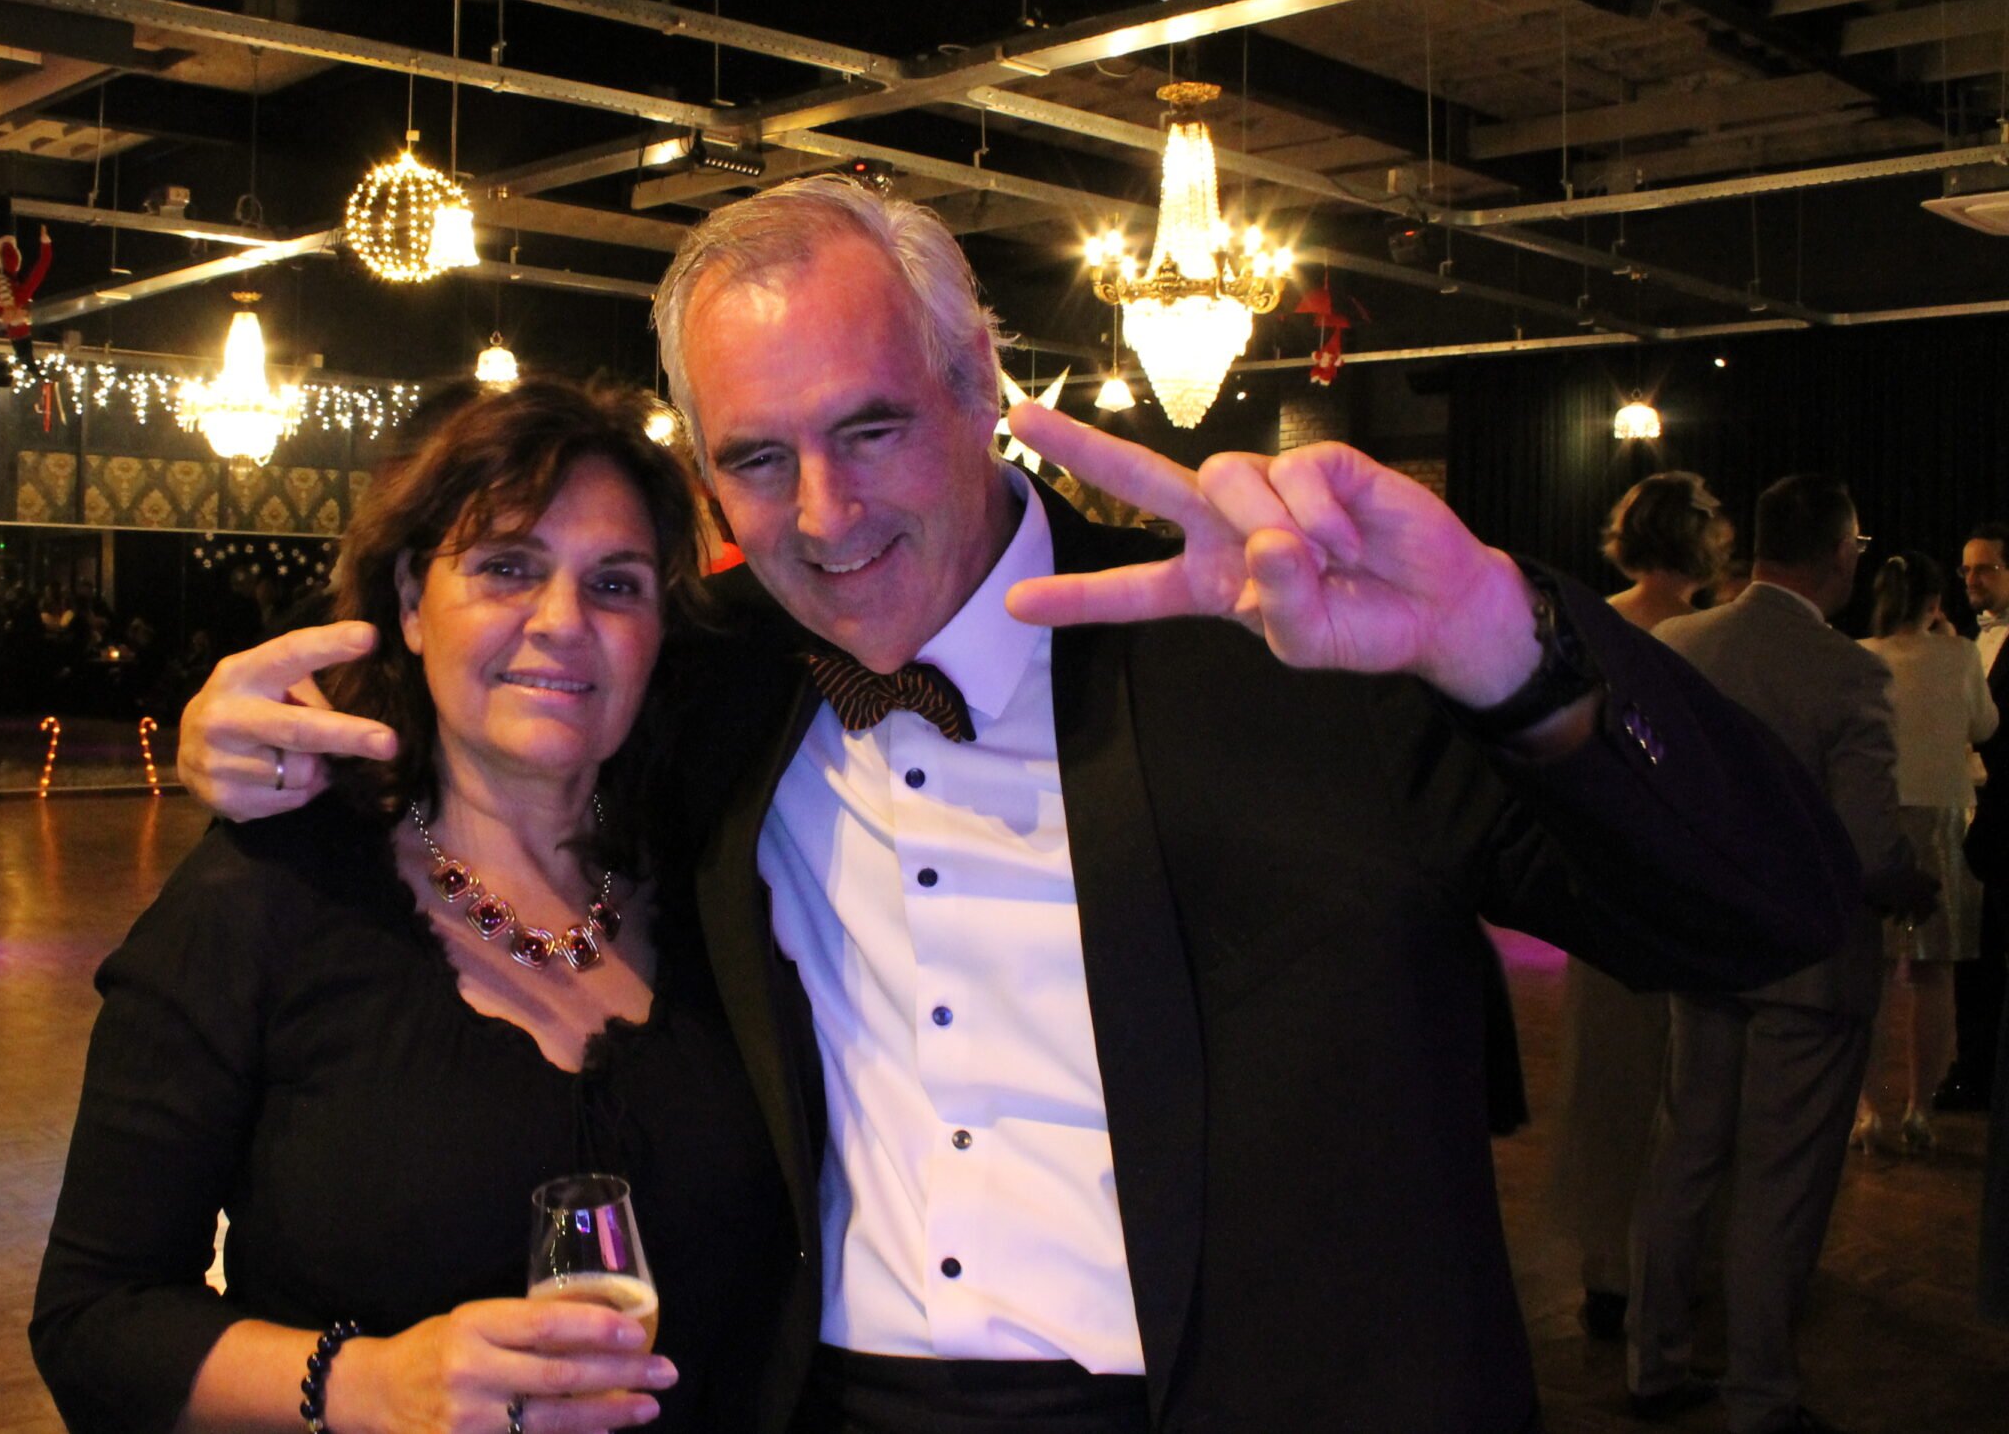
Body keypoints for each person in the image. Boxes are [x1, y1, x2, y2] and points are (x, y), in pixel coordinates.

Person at [176, 176, 1856, 1432]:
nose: (826, 515)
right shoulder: (707, 684)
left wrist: (1502, 640)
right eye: (757, 459)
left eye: (874, 427)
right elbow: (487, 710)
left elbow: (1771, 912)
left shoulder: (1288, 645)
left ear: (983, 378)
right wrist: (269, 732)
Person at [32, 380, 785, 1434]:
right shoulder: (266, 897)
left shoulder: (722, 890)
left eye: (615, 584)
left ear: (662, 630)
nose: (562, 623)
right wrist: (372, 1384)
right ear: (410, 605)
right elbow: (93, 1320)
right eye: (506, 567)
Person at [1627, 475, 1934, 1434]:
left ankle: (1652, 1362)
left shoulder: (1682, 645)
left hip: (1703, 944)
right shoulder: (1847, 672)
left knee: (1685, 1157)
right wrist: (1915, 882)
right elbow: (1868, 846)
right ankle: (1759, 1393)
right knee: (1780, 1181)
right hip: (1809, 961)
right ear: (1840, 553)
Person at [1553, 471, 1732, 1341]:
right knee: (1687, 1079)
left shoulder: (1592, 620)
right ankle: (1678, 1260)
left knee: (1609, 1077)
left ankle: (1609, 1266)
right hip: (1688, 884)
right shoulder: (1710, 638)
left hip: (1605, 878)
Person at [1857, 550, 1996, 1151]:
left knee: (1872, 972)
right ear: (1935, 603)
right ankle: (1920, 1110)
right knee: (1935, 973)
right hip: (1942, 820)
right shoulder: (1960, 654)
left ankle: (1871, 1111)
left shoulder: (1861, 655)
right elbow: (1985, 726)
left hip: (1877, 820)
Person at [1943, 521, 2009, 1114]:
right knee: (1975, 953)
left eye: (1985, 567)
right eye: (1966, 568)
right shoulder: (1966, 643)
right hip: (1973, 814)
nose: (1971, 578)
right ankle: (1974, 1070)